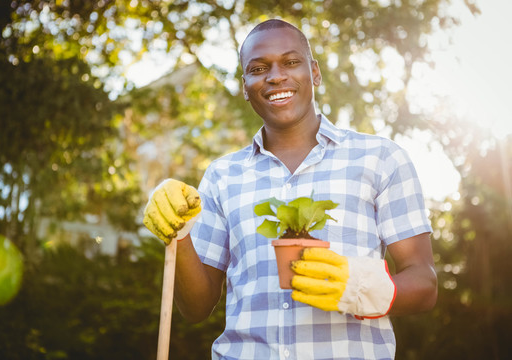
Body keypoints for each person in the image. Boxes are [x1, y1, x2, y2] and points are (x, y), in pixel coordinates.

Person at [144, 19, 437, 359]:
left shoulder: (381, 158)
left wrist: (359, 286)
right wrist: (178, 234)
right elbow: (196, 308)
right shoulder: (222, 176)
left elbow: (425, 284)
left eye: (291, 62)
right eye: (258, 68)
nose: (275, 76)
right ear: (245, 85)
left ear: (314, 72)